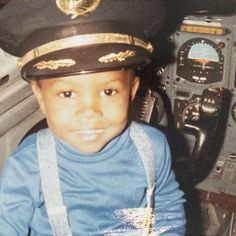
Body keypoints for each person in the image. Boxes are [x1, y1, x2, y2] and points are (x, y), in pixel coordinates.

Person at [0, 0, 186, 235]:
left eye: (108, 92)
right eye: (67, 93)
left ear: (132, 91)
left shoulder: (152, 146)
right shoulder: (28, 164)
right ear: (41, 98)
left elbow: (165, 207)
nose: (89, 112)